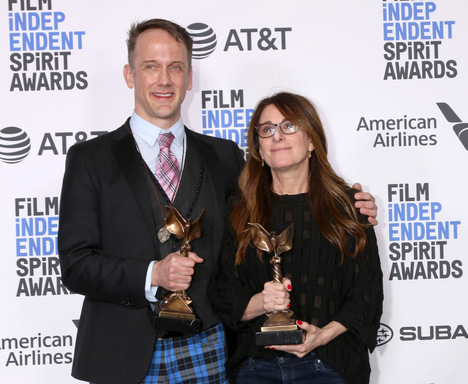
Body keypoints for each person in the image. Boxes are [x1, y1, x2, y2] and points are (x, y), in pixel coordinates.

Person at [58, 19, 379, 384]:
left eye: (175, 67)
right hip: (122, 353)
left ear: (189, 78)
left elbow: (272, 206)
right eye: (151, 66)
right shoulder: (90, 159)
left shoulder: (223, 156)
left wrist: (350, 204)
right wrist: (152, 274)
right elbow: (76, 263)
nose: (164, 79)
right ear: (130, 74)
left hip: (210, 347)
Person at [209, 92, 383, 384]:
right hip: (255, 367)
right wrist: (263, 302)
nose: (277, 136)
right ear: (259, 149)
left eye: (289, 126)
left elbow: (366, 295)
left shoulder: (349, 208)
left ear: (312, 141)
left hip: (329, 363)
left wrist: (320, 336)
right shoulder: (237, 212)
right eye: (267, 129)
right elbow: (223, 295)